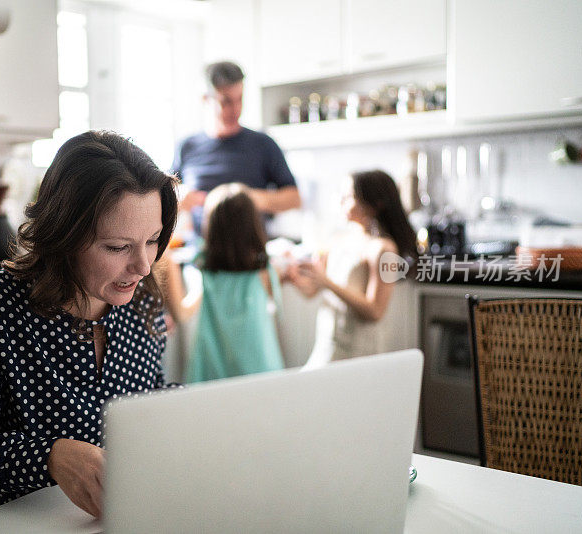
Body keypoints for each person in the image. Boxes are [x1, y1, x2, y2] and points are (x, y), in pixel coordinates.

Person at [0, 130, 178, 518]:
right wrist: (49, 457)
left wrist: (190, 412)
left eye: (153, 240)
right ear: (64, 234)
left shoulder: (140, 298)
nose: (143, 266)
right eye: (117, 247)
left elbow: (147, 401)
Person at [287, 170, 417, 364]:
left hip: (359, 349)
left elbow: (375, 311)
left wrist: (326, 282)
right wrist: (293, 276)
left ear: (373, 204)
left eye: (349, 196)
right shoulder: (338, 240)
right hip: (328, 342)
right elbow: (312, 291)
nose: (341, 201)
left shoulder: (383, 249)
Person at [163, 182, 284, 382]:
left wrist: (168, 258)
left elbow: (182, 314)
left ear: (211, 227)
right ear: (252, 226)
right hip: (261, 368)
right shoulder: (265, 272)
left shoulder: (204, 273)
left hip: (214, 373)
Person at [171, 61, 301, 234]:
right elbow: (167, 195)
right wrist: (179, 197)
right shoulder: (186, 147)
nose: (236, 109)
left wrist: (248, 199)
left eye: (239, 99)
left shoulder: (264, 144)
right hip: (201, 252)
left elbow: (294, 198)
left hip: (251, 251)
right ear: (206, 99)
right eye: (226, 102)